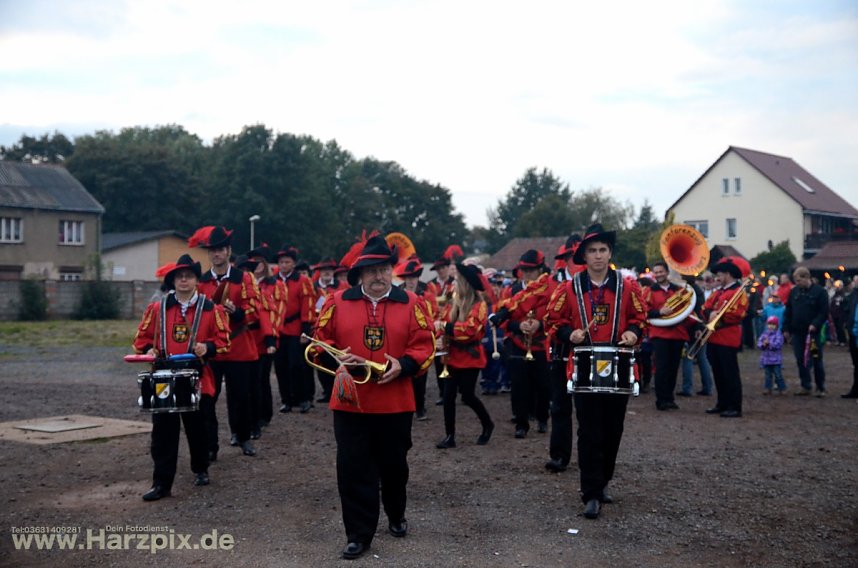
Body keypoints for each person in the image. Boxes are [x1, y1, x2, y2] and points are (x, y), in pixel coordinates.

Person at [312, 235, 435, 560]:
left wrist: (404, 364)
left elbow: (425, 345)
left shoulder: (412, 303)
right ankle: (358, 534)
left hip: (395, 402)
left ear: (391, 271)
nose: (378, 276)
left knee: (394, 466)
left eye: (383, 269)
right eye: (371, 271)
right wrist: (336, 362)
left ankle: (396, 513)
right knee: (352, 468)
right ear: (360, 274)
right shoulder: (336, 302)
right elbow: (317, 343)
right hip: (350, 402)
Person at [544, 223, 646, 519]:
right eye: (593, 251)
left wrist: (632, 333)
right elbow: (552, 320)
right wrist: (569, 334)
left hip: (620, 367)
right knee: (589, 430)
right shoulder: (569, 288)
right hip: (584, 366)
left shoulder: (628, 287)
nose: (598, 256)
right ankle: (590, 492)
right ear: (584, 256)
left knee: (613, 429)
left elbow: (641, 318)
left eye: (603, 250)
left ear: (609, 254)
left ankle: (602, 483)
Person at [132, 254, 230, 500]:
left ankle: (201, 468)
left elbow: (224, 341)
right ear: (173, 281)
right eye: (179, 276)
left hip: (196, 374)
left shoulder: (210, 309)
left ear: (197, 280)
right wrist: (148, 350)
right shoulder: (158, 308)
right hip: (164, 375)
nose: (184, 280)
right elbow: (140, 341)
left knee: (197, 428)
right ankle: (162, 483)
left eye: (188, 276)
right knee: (163, 432)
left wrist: (207, 347)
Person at [190, 226, 273, 459]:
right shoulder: (203, 282)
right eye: (212, 251)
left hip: (238, 346)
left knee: (241, 396)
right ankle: (210, 445)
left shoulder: (243, 278)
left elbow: (255, 309)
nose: (216, 254)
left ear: (228, 251)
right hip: (211, 349)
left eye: (220, 250)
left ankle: (243, 436)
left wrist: (237, 312)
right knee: (207, 398)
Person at [489, 249, 555, 439]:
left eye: (531, 270)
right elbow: (504, 320)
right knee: (519, 385)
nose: (527, 273)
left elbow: (556, 317)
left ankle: (542, 418)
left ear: (540, 269)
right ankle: (521, 423)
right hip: (517, 341)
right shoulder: (512, 291)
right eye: (524, 270)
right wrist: (519, 325)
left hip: (541, 342)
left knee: (543, 385)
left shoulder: (549, 289)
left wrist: (539, 324)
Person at [435, 262, 494, 449]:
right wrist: (438, 336)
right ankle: (449, 436)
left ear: (465, 283)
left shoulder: (479, 304)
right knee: (448, 395)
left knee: (468, 396)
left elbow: (470, 330)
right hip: (451, 356)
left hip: (470, 357)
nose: (454, 282)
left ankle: (488, 424)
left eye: (457, 279)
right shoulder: (452, 302)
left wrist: (445, 328)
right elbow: (442, 323)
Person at [543, 234, 582, 472]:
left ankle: (590, 457)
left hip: (588, 352)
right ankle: (559, 455)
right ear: (566, 258)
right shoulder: (552, 281)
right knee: (559, 406)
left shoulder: (593, 283)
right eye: (573, 257)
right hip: (560, 350)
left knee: (589, 408)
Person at [699, 256, 749, 418]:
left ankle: (734, 406)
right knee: (718, 372)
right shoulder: (718, 292)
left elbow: (738, 314)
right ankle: (722, 403)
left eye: (719, 274)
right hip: (714, 336)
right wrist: (710, 313)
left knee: (730, 373)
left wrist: (718, 316)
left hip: (728, 336)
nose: (716, 277)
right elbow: (704, 308)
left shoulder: (738, 292)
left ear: (728, 274)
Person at [246, 244, 287, 432]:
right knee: (251, 379)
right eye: (252, 262)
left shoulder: (276, 285)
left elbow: (278, 314)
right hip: (248, 338)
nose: (256, 265)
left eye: (259, 261)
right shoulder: (246, 283)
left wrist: (271, 336)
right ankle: (252, 414)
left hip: (266, 337)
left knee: (262, 378)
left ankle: (264, 414)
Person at [643, 261, 692, 410]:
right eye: (656, 272)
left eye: (661, 271)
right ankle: (661, 399)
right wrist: (659, 312)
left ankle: (670, 398)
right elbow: (644, 311)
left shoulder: (678, 290)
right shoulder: (649, 291)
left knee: (673, 367)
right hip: (660, 334)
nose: (658, 274)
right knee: (661, 367)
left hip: (678, 333)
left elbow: (687, 308)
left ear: (666, 272)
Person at [394, 254, 437, 420]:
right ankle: (404, 406)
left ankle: (420, 407)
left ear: (417, 278)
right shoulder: (397, 294)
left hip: (419, 336)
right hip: (401, 337)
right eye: (408, 277)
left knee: (420, 374)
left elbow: (434, 315)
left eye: (413, 277)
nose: (411, 280)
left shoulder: (426, 295)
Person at [273, 245, 316, 413]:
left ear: (293, 263)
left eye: (287, 262)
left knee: (297, 365)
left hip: (296, 328)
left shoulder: (302, 281)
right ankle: (287, 400)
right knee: (280, 366)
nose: (284, 265)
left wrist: (305, 330)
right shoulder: (274, 280)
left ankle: (303, 398)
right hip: (278, 328)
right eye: (281, 262)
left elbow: (308, 305)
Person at [783, 266, 829, 397]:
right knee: (800, 359)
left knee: (816, 358)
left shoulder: (820, 292)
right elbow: (789, 311)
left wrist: (815, 324)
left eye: (798, 281)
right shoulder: (795, 292)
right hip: (798, 333)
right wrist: (786, 328)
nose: (797, 284)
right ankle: (805, 385)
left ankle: (820, 387)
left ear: (806, 278)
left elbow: (824, 312)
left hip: (812, 334)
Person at [312, 256, 349, 402]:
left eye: (329, 270)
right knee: (320, 359)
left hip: (337, 327)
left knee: (339, 359)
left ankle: (339, 389)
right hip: (317, 327)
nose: (327, 273)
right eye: (324, 270)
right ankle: (327, 391)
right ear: (319, 272)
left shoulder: (343, 286)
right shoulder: (312, 286)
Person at [758, 315, 786, 394]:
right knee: (767, 376)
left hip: (776, 360)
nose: (771, 326)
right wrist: (763, 345)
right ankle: (768, 388)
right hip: (766, 359)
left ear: (776, 326)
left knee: (778, 375)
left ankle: (782, 388)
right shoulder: (764, 334)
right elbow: (759, 343)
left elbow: (778, 344)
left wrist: (769, 344)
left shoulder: (778, 334)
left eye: (773, 325)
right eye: (769, 324)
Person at [841, 282, 858, 398]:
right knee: (856, 364)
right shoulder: (854, 295)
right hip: (854, 333)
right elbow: (846, 308)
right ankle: (855, 389)